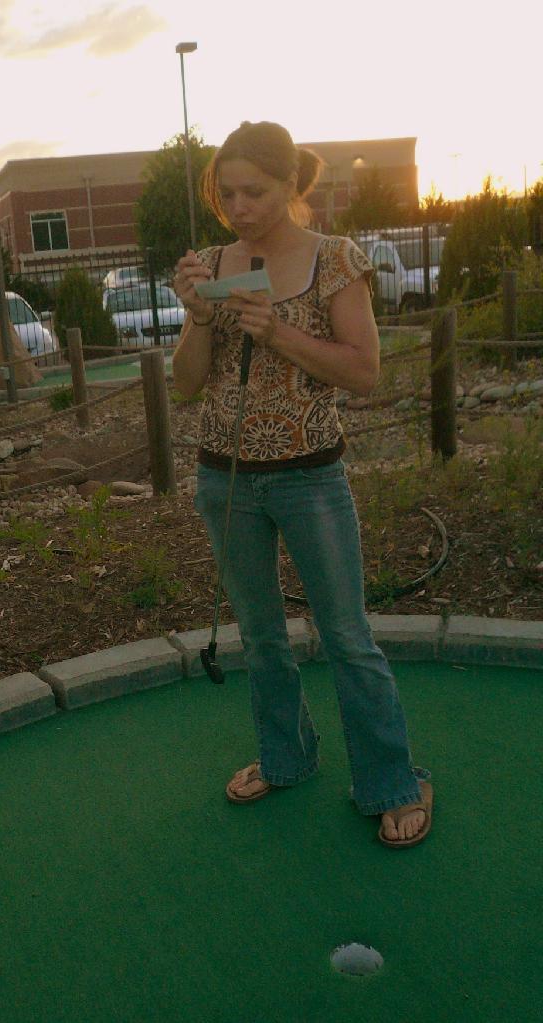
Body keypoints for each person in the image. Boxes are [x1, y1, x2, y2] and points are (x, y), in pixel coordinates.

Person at [171, 120, 433, 849]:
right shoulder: (214, 264)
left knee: (347, 637)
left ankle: (394, 781)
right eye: (226, 192)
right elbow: (187, 386)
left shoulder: (334, 259)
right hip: (224, 479)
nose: (239, 206)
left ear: (290, 186)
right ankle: (287, 756)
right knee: (261, 636)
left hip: (309, 476)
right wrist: (197, 317)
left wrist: (276, 332)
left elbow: (364, 370)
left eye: (254, 190)